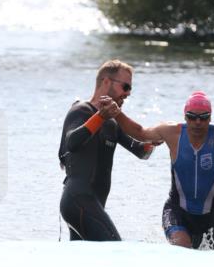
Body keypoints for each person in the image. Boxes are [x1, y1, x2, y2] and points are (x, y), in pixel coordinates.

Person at [104, 91, 214, 249]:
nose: (197, 122)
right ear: (184, 116)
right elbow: (140, 133)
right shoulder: (171, 132)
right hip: (176, 211)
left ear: (210, 117)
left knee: (208, 265)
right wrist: (117, 114)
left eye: (203, 118)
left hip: (212, 217)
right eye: (191, 117)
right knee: (182, 248)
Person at [58, 60, 155, 241]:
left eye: (130, 89)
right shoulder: (81, 110)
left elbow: (141, 151)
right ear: (106, 82)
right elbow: (72, 142)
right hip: (78, 199)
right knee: (115, 250)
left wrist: (158, 138)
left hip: (92, 205)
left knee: (84, 263)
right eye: (125, 87)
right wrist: (100, 116)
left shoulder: (113, 123)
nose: (128, 94)